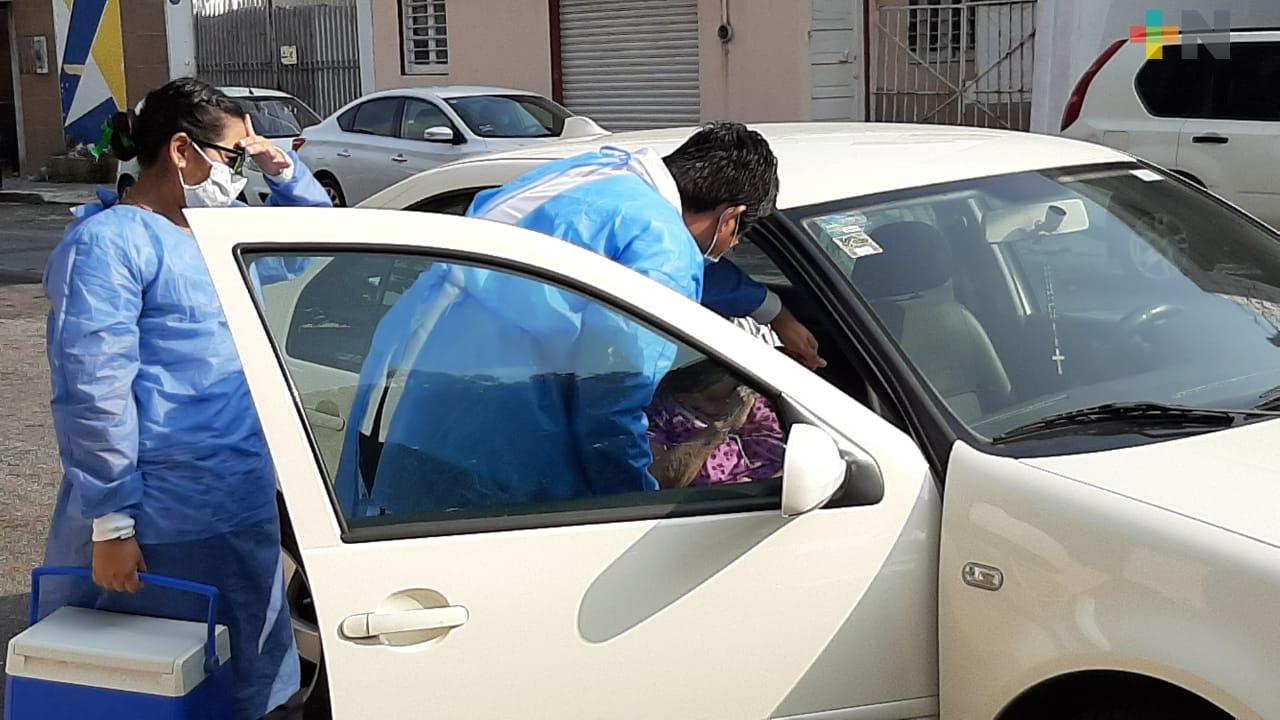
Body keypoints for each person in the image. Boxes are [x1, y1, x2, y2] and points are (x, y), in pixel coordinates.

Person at [333, 123, 810, 518]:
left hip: (402, 385)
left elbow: (641, 268)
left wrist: (774, 310)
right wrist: (638, 506)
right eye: (738, 238)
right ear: (731, 218)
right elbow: (610, 400)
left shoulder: (601, 174)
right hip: (480, 444)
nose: (730, 249)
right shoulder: (662, 248)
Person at [40, 78, 330, 720]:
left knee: (246, 670)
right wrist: (113, 523)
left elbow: (312, 242)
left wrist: (280, 166)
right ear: (181, 150)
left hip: (237, 493)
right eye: (232, 156)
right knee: (164, 678)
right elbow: (94, 390)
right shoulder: (110, 243)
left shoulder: (217, 232)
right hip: (159, 514)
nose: (237, 171)